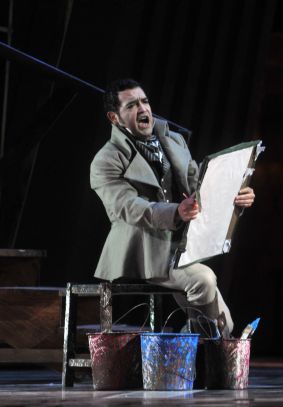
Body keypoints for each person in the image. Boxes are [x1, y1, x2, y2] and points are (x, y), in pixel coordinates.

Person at [90, 78, 255, 336]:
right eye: (132, 105)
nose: (143, 110)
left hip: (180, 247)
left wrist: (234, 196)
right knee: (203, 280)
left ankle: (190, 346)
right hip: (142, 250)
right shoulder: (106, 159)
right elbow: (127, 206)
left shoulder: (174, 141)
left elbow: (199, 184)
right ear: (115, 117)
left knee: (227, 326)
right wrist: (175, 211)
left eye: (144, 101)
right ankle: (194, 347)